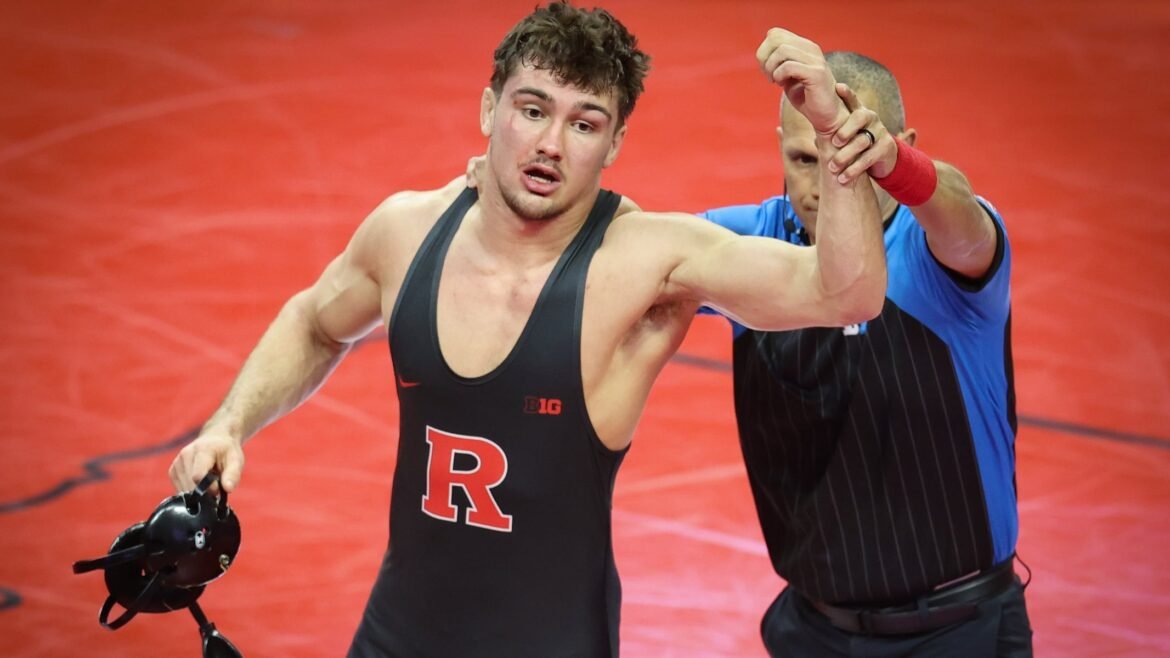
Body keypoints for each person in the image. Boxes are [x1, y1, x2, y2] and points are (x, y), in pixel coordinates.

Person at [167, 4, 886, 657]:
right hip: (395, 640)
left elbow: (846, 292)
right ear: (489, 108)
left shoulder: (647, 263)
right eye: (532, 110)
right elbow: (315, 322)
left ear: (615, 144)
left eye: (584, 123)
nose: (550, 144)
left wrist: (832, 132)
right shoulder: (407, 232)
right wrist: (231, 423)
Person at [701, 50, 1033, 656]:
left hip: (955, 633)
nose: (826, 184)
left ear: (899, 144)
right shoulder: (754, 242)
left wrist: (894, 165)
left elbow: (963, 214)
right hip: (812, 631)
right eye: (805, 159)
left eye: (848, 158)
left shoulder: (939, 258)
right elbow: (627, 247)